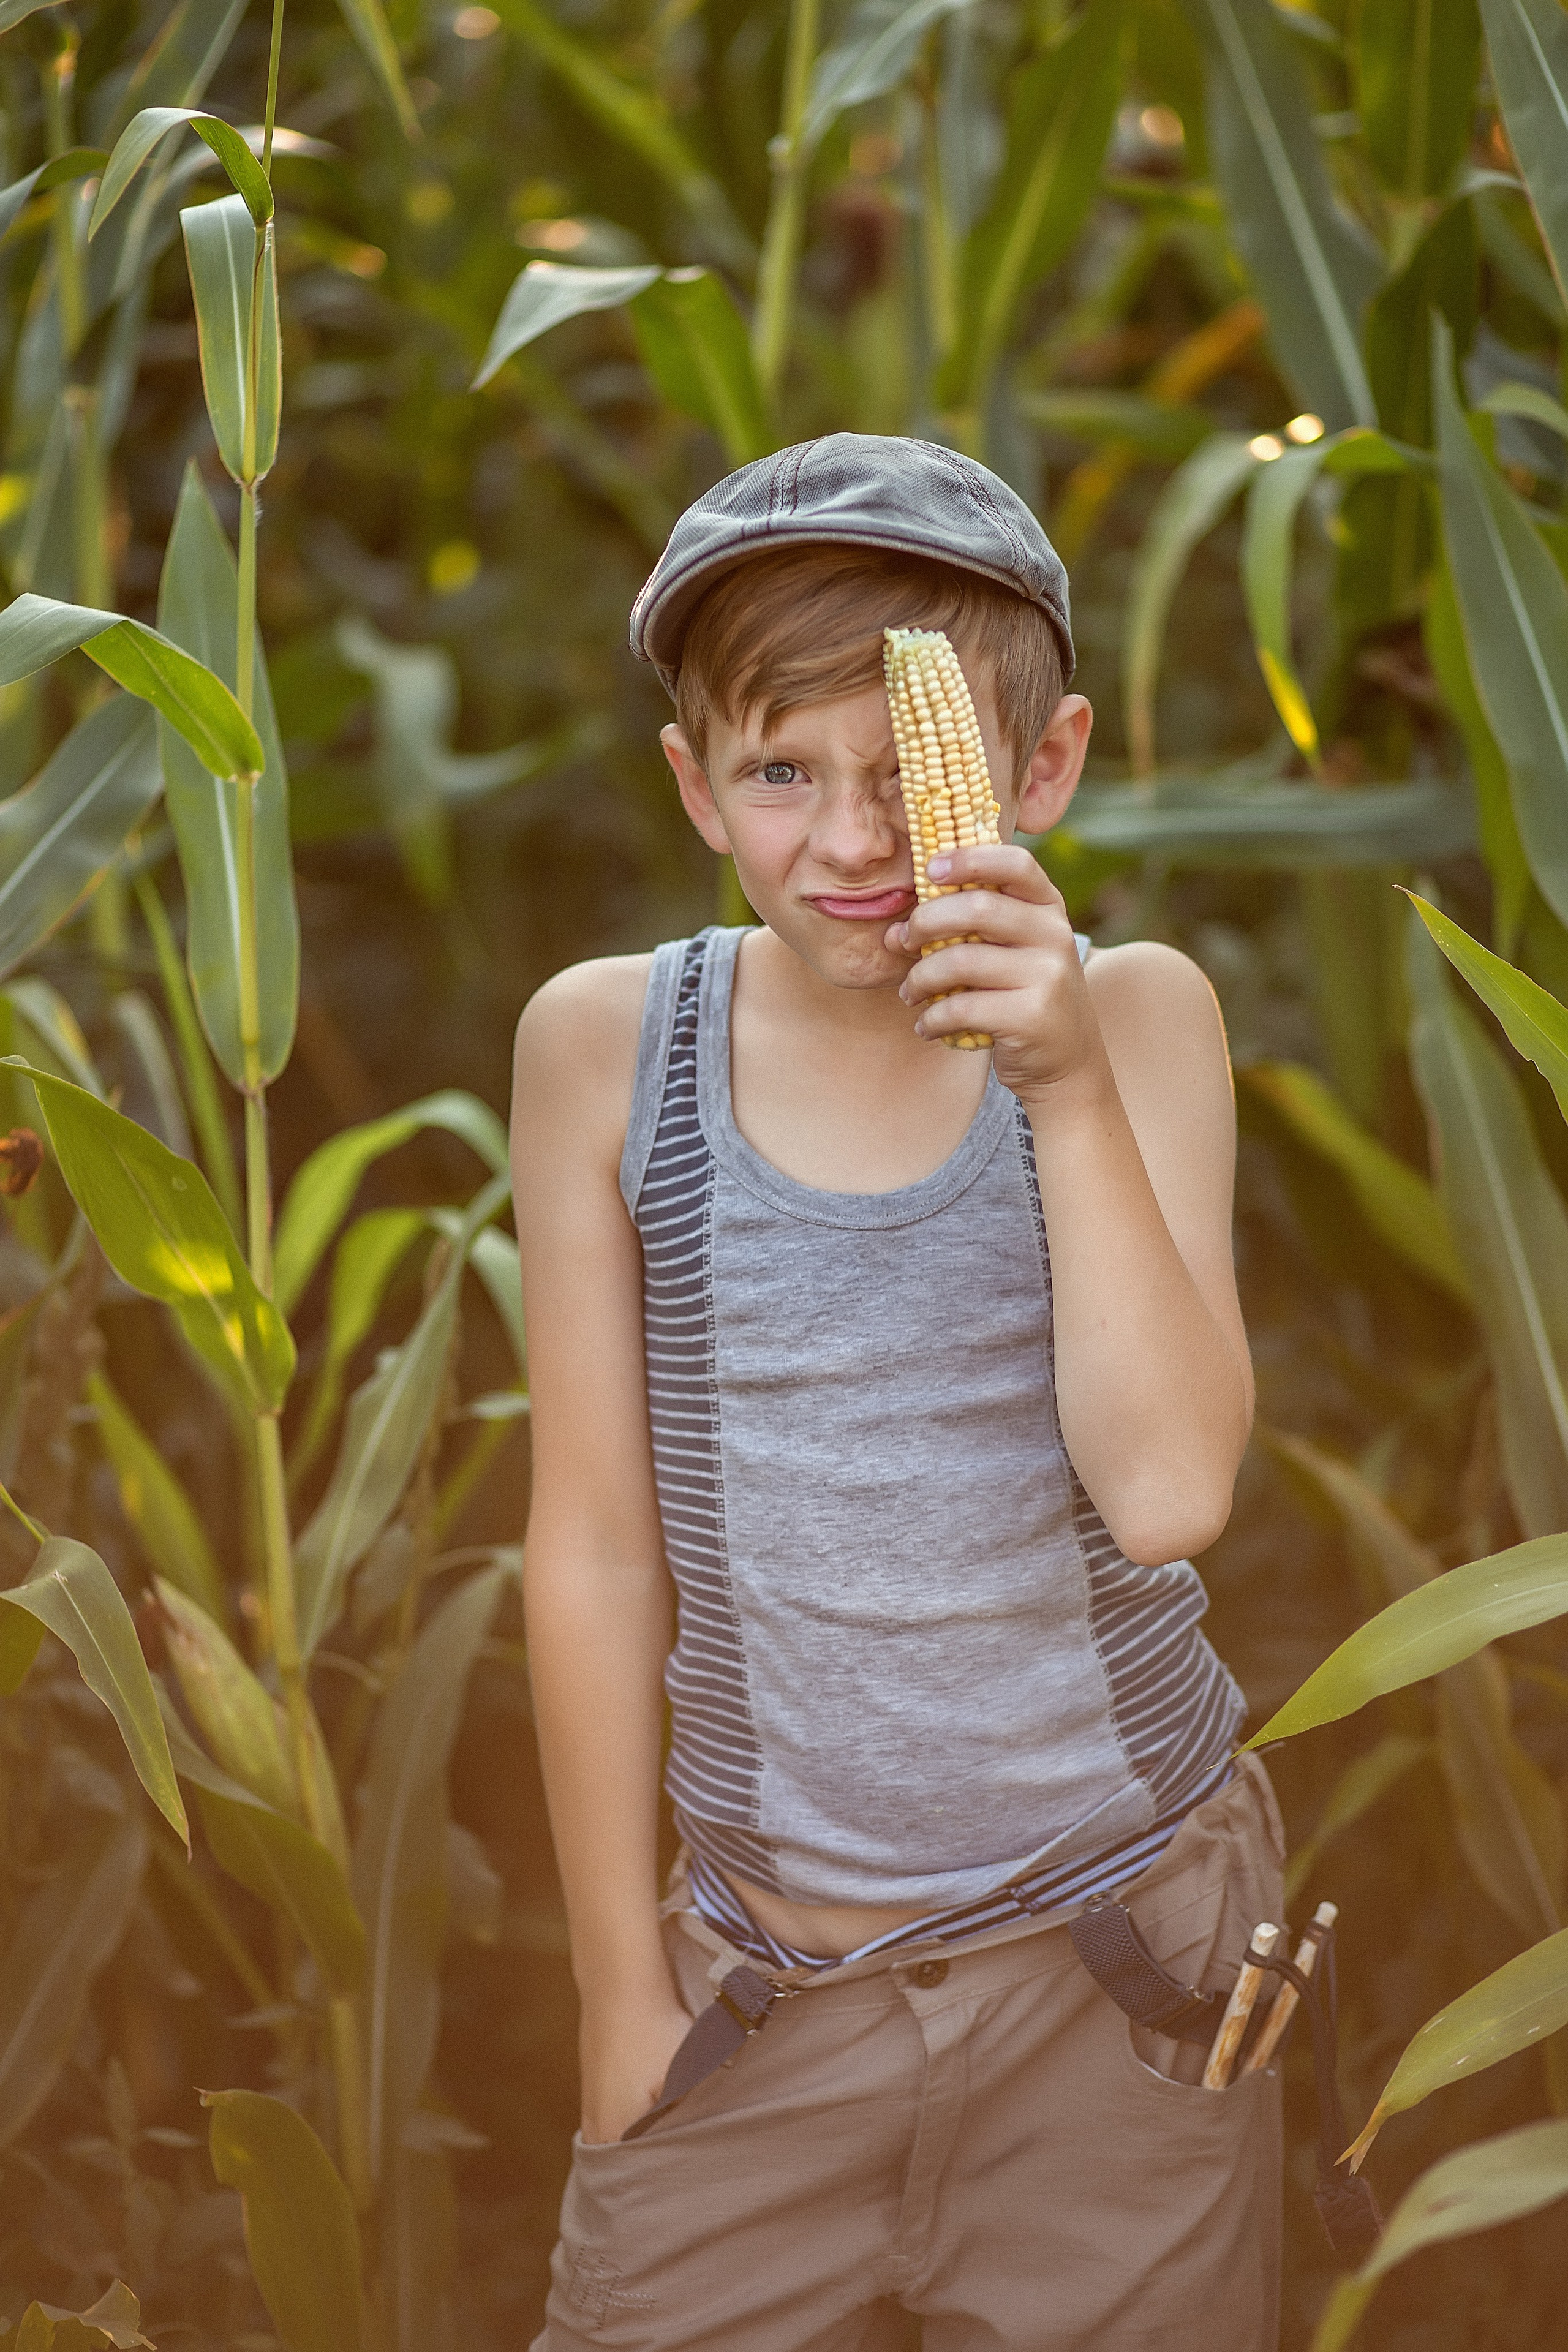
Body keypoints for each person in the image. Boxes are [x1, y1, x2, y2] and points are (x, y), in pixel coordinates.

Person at [511, 434, 1284, 2352]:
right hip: (764, 1989)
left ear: (1045, 768)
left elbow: (1173, 1491)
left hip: (1126, 1982)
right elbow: (600, 1548)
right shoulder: (610, 1052)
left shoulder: (1145, 1020)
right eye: (784, 772)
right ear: (697, 784)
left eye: (904, 773)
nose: (854, 847)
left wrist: (1070, 1086)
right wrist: (622, 1981)